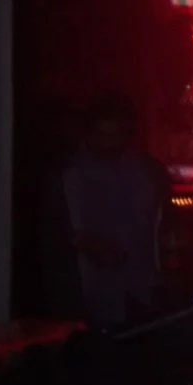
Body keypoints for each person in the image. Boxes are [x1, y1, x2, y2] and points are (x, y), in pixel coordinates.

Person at [57, 92, 168, 329]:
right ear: (87, 133)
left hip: (142, 291)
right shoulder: (67, 174)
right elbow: (50, 230)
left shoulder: (148, 172)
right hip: (85, 297)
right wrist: (84, 242)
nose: (108, 143)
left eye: (116, 135)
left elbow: (163, 223)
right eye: (101, 134)